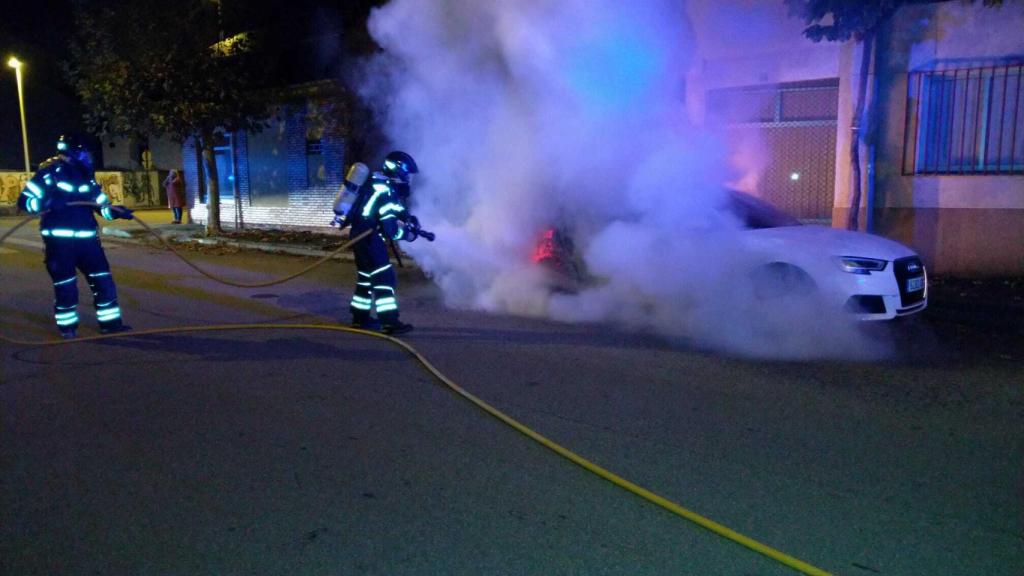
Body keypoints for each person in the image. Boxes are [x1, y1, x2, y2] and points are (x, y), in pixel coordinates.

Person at [16, 133, 135, 339]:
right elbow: (24, 202)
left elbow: (100, 205)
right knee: (66, 288)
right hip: (60, 245)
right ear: (72, 152)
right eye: (84, 153)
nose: (88, 157)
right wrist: (47, 204)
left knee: (104, 284)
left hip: (89, 244)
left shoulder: (85, 177)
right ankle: (67, 328)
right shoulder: (48, 175)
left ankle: (110, 324)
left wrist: (115, 212)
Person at [343, 151, 431, 335]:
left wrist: (407, 217)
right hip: (369, 238)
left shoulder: (377, 183)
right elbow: (391, 229)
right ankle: (390, 322)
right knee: (385, 278)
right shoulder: (385, 190)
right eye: (407, 174)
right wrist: (408, 235)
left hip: (360, 236)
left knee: (366, 278)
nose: (408, 179)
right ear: (397, 170)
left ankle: (360, 318)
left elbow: (390, 209)